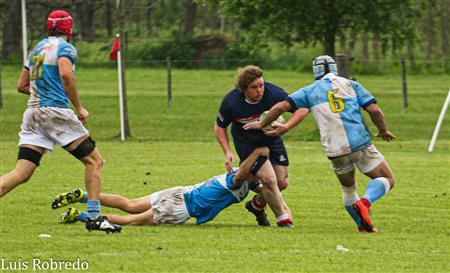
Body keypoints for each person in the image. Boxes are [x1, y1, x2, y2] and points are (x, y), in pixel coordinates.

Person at [0, 10, 121, 233]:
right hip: (54, 113)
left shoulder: (36, 48)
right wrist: (79, 107)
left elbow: (21, 86)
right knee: (94, 161)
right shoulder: (66, 48)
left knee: (21, 173)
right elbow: (66, 75)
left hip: (32, 114)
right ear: (69, 28)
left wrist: (42, 95)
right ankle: (94, 218)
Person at [244, 56, 396, 233]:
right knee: (387, 179)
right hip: (359, 143)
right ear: (334, 68)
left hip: (334, 149)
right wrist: (383, 130)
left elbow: (279, 107)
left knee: (348, 189)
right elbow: (374, 110)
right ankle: (365, 202)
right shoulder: (350, 84)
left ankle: (363, 226)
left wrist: (263, 124)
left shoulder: (309, 91)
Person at [54, 147, 293, 228]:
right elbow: (244, 174)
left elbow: (266, 188)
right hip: (181, 208)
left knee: (130, 204)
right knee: (130, 220)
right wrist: (259, 152)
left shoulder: (242, 180)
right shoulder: (237, 179)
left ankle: (84, 196)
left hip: (180, 191)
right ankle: (81, 217)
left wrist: (274, 195)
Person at [215, 65, 308, 227]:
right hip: (247, 143)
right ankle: (283, 219)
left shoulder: (274, 93)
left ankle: (256, 205)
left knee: (282, 183)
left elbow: (302, 108)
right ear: (243, 89)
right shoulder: (232, 102)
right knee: (268, 179)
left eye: (261, 85)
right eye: (254, 87)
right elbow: (220, 126)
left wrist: (286, 127)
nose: (259, 90)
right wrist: (227, 151)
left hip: (272, 139)